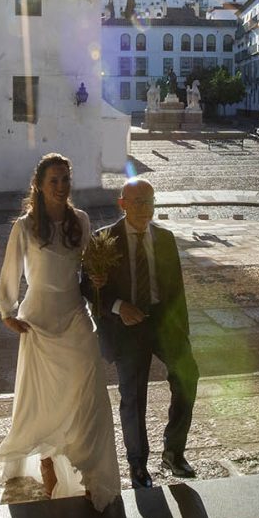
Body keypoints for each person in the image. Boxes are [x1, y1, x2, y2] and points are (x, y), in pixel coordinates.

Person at [0, 153, 120, 511]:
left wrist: (96, 278)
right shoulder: (24, 226)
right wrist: (7, 310)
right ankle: (48, 464)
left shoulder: (80, 220)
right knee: (44, 399)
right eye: (54, 180)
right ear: (39, 184)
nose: (62, 186)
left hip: (74, 316)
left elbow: (87, 270)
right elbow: (11, 270)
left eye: (66, 179)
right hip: (39, 320)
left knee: (90, 390)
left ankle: (92, 472)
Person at [83, 178, 199, 489]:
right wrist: (119, 306)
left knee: (188, 375)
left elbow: (176, 291)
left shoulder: (165, 238)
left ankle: (174, 452)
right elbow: (88, 288)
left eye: (149, 201)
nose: (144, 208)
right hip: (127, 325)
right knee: (133, 396)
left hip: (163, 322)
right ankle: (137, 464)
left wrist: (182, 334)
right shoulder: (102, 239)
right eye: (137, 202)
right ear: (122, 203)